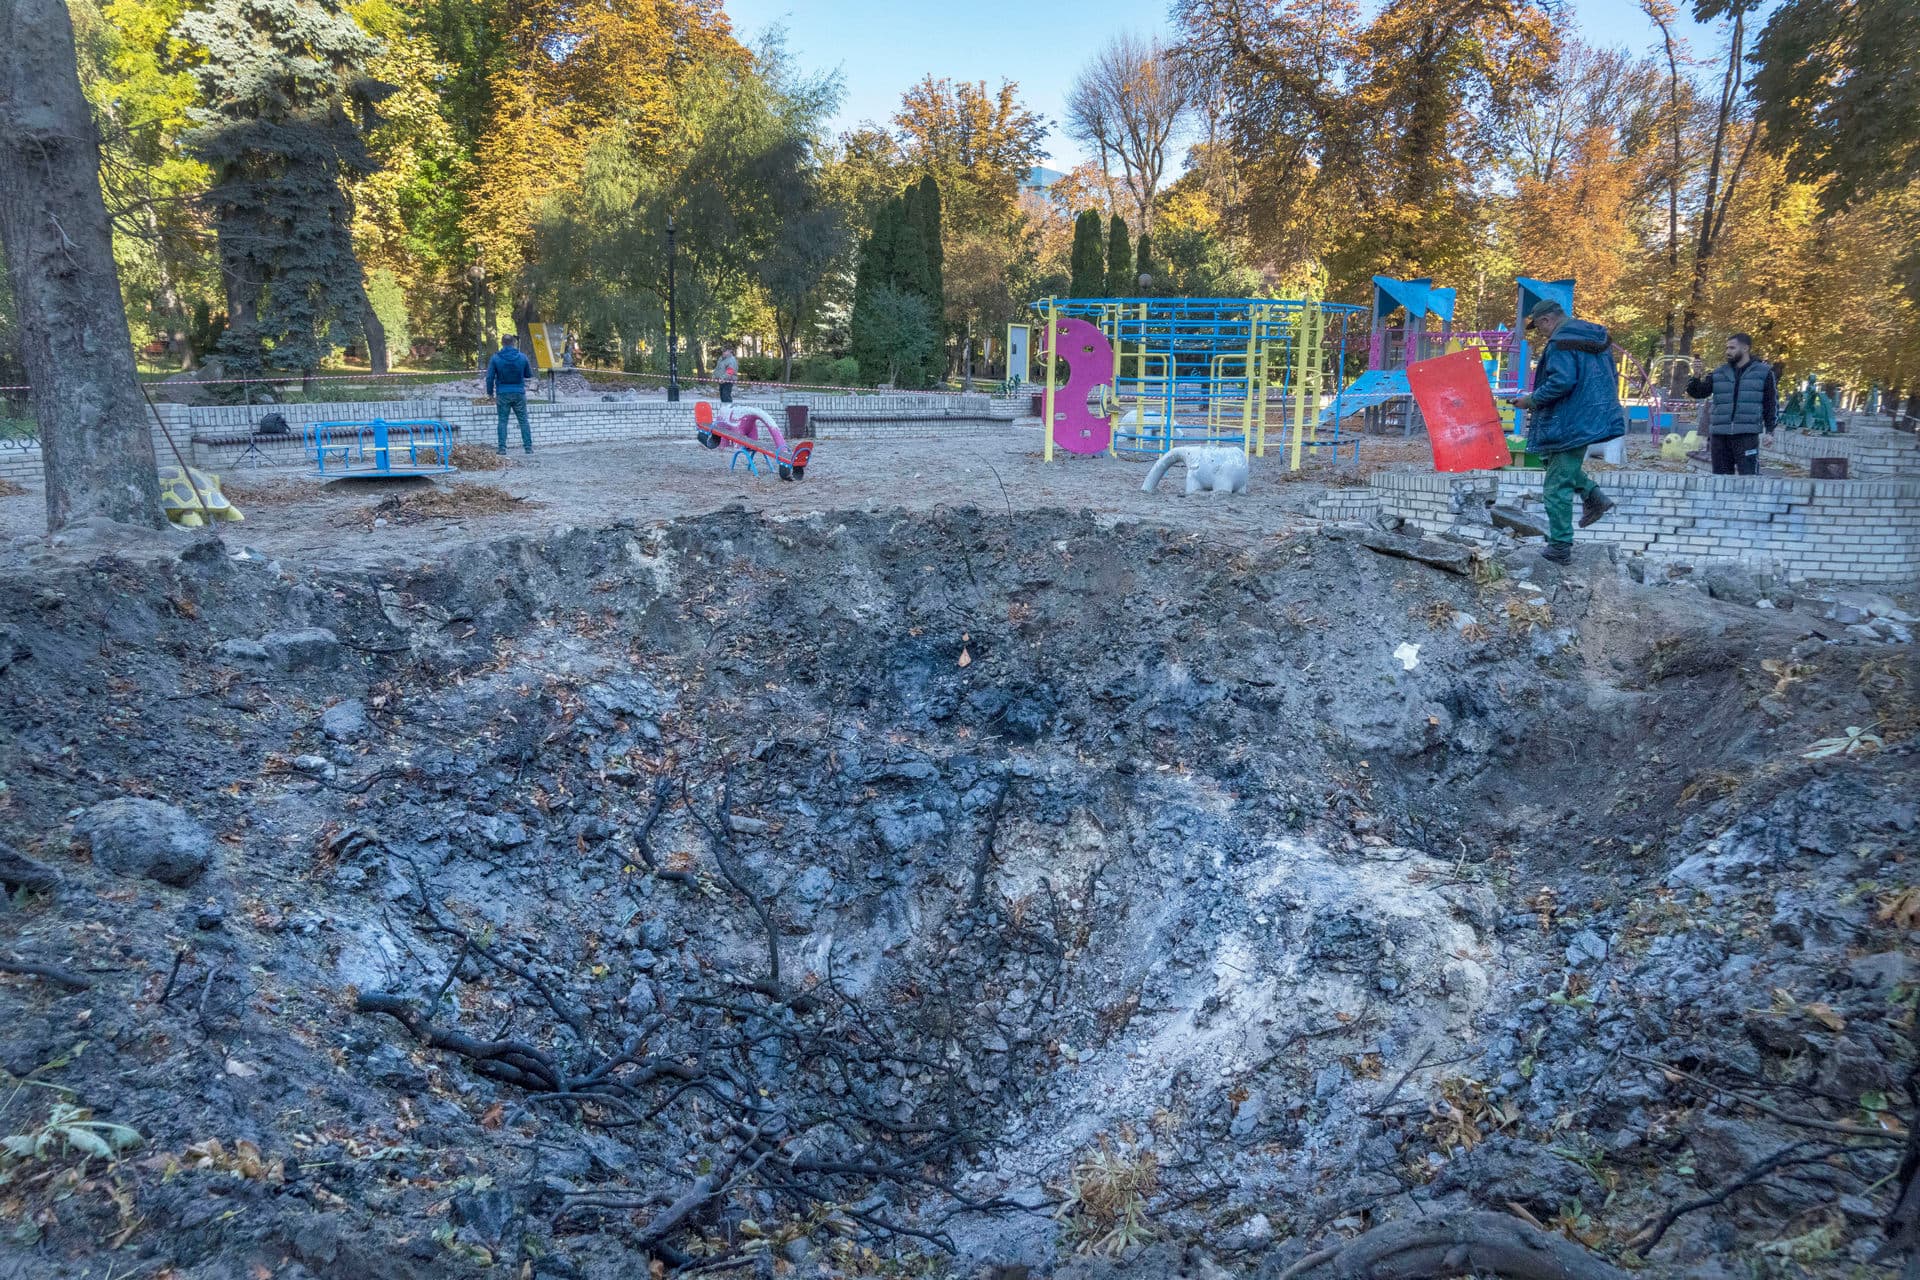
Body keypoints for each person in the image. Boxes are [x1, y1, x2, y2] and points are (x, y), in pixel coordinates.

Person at [1505, 299, 1622, 564]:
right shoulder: (1592, 336)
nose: (1541, 333)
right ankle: (1594, 495)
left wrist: (1531, 400)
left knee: (1556, 485)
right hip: (1592, 413)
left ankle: (1560, 547)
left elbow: (1561, 381)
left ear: (1547, 320)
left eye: (1539, 327)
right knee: (1549, 459)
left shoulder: (1561, 342)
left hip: (1569, 419)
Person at [1685, 333, 1778, 475]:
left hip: (1747, 435)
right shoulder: (1718, 373)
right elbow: (1698, 393)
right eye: (1727, 348)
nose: (1728, 351)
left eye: (1732, 348)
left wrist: (1770, 431)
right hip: (1719, 436)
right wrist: (1696, 376)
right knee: (1720, 480)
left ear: (1745, 348)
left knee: (1749, 478)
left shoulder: (1764, 373)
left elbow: (1770, 403)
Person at [486, 335, 535, 455]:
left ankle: (502, 448)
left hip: (502, 393)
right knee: (523, 421)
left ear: (502, 343)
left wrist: (490, 393)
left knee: (502, 421)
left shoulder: (496, 358)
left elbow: (489, 378)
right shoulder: (522, 357)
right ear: (513, 343)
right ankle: (528, 448)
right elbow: (529, 374)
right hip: (519, 392)